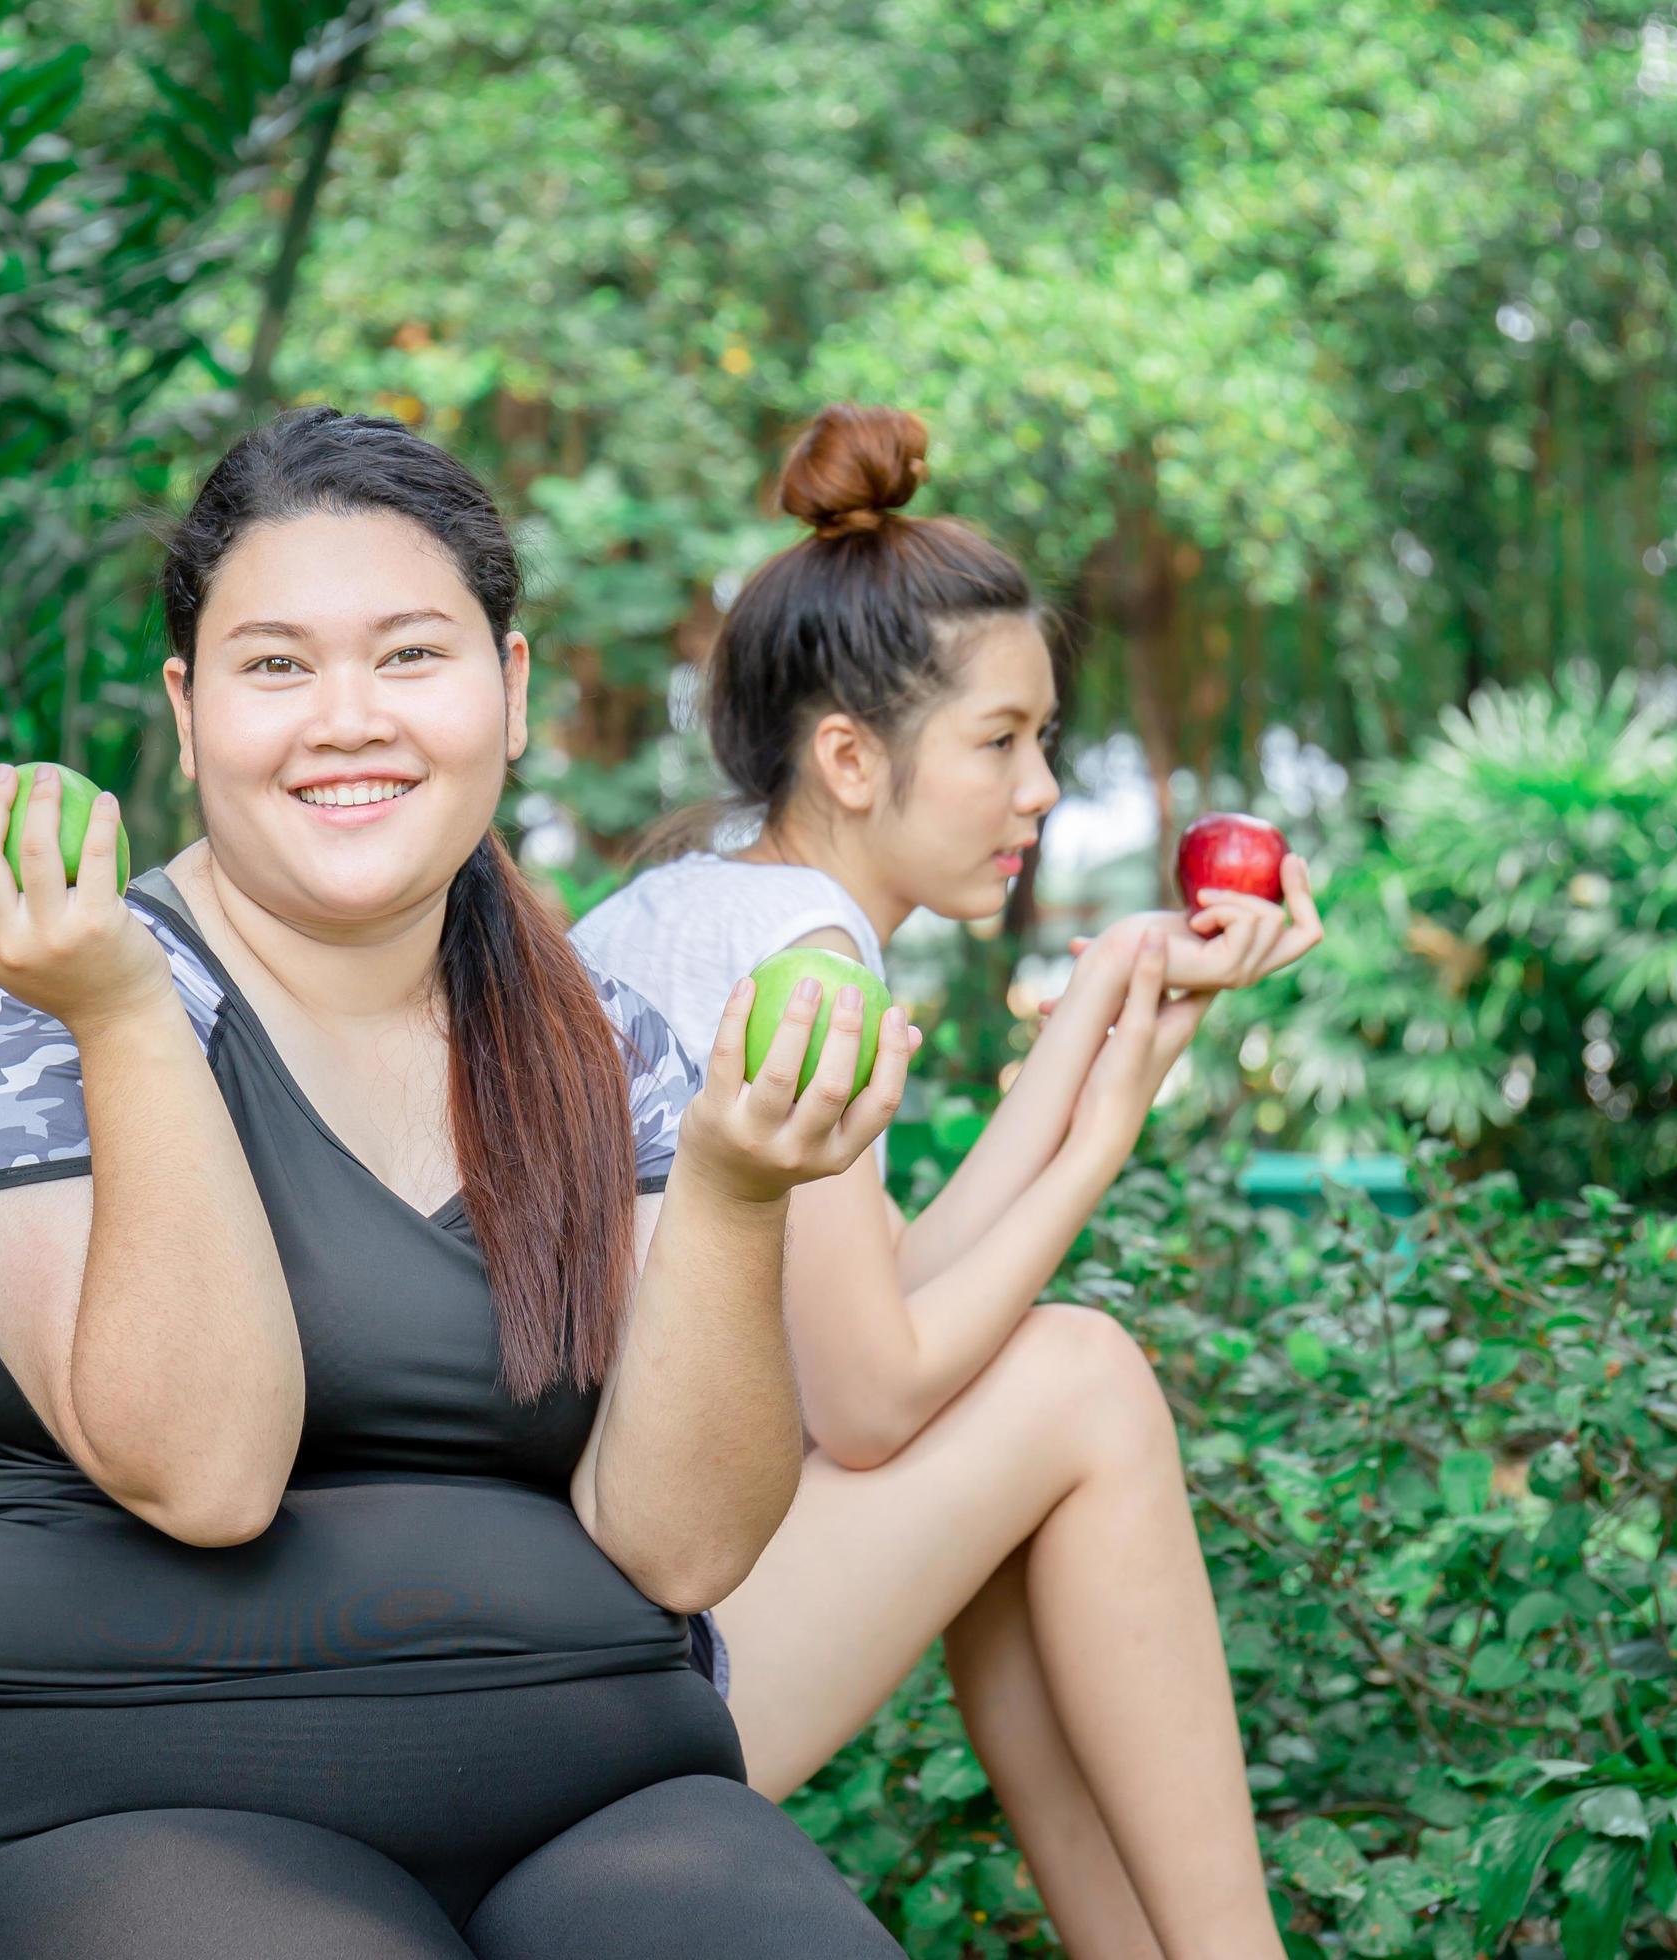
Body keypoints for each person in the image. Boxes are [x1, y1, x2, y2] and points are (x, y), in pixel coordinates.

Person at [0, 407, 922, 1960]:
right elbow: (203, 1473)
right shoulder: (40, 1008)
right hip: (108, 1804)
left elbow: (682, 1548)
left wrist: (744, 1190)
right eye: (277, 667)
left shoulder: (606, 1044)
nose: (348, 717)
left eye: (412, 655)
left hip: (604, 1804)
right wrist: (132, 1011)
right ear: (190, 711)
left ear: (513, 688)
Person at [569, 404, 1324, 1960]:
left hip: (578, 1610)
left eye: (1043, 738)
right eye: (1002, 741)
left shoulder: (686, 905)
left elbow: (883, 1309)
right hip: (628, 1673)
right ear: (850, 757)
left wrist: (1125, 1008)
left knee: (1033, 1412)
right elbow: (876, 1401)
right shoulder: (800, 952)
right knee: (1083, 1375)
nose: (1043, 786)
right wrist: (1106, 1133)